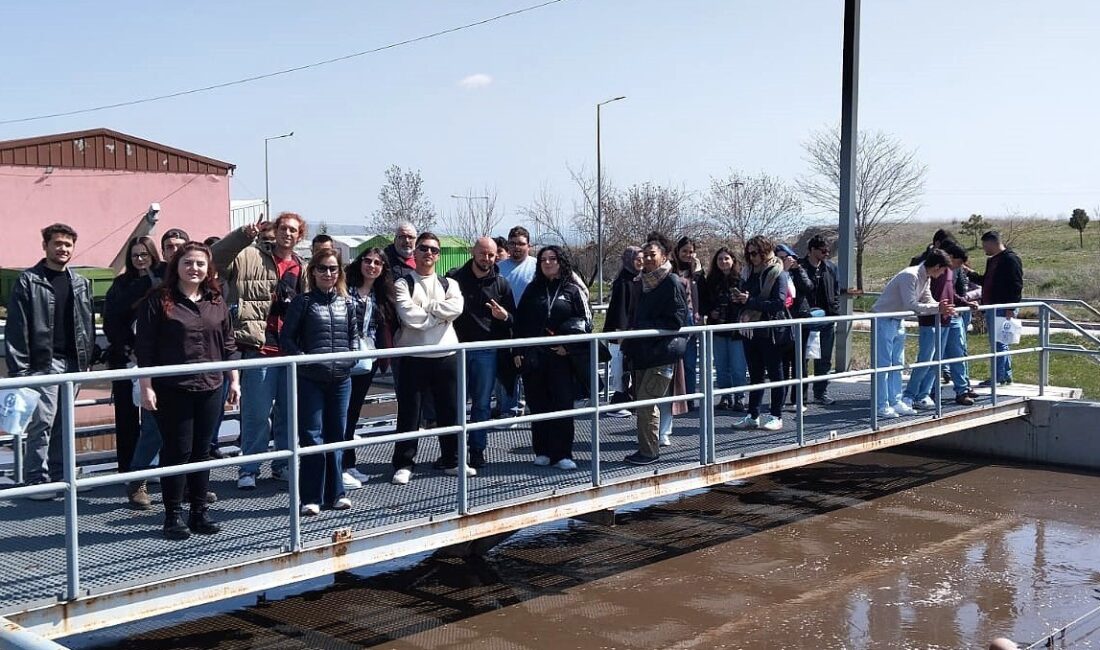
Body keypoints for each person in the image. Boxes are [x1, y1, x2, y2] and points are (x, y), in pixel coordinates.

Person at [136, 242, 240, 540]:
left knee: (202, 450)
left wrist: (234, 381)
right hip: (173, 388)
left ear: (209, 269)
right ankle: (172, 516)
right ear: (177, 266)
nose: (194, 268)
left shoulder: (216, 299)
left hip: (210, 385)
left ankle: (199, 513)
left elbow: (227, 344)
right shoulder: (159, 300)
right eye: (188, 262)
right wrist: (147, 387)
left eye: (200, 264)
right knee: (176, 451)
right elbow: (144, 348)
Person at [211, 213, 307, 490]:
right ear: (274, 231)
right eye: (283, 228)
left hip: (291, 351)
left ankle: (283, 465)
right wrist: (243, 234)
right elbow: (215, 259)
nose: (287, 234)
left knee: (289, 415)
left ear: (299, 236)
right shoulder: (250, 256)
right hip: (260, 347)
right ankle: (249, 468)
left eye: (293, 230)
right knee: (256, 414)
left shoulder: (302, 266)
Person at [5, 223, 95, 499]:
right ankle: (36, 478)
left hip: (74, 362)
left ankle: (61, 474)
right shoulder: (28, 281)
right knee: (42, 422)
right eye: (57, 243)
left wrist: (87, 359)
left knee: (64, 423)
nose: (63, 249)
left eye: (68, 244)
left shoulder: (79, 282)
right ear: (45, 246)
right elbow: (17, 327)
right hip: (43, 363)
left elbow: (87, 323)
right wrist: (21, 370)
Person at [279, 249, 358, 515]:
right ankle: (310, 497)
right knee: (312, 438)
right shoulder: (303, 302)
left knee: (337, 437)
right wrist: (304, 360)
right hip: (311, 379)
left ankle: (337, 493)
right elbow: (286, 340)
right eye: (322, 268)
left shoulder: (347, 303)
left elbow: (354, 337)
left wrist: (349, 360)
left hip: (341, 380)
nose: (328, 273)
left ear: (339, 273)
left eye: (333, 269)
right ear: (313, 271)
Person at [390, 232, 466, 485]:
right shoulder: (403, 283)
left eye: (433, 250)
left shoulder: (449, 284)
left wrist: (429, 310)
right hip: (413, 356)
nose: (428, 254)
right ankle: (404, 463)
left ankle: (452, 460)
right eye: (423, 248)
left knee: (450, 411)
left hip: (447, 355)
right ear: (416, 251)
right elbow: (409, 316)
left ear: (438, 254)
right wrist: (440, 316)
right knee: (410, 413)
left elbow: (457, 308)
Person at [513, 246, 589, 470]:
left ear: (561, 262)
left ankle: (563, 453)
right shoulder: (532, 289)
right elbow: (520, 322)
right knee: (538, 404)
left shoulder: (572, 290)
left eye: (552, 259)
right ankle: (543, 450)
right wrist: (517, 351)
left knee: (562, 404)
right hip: (535, 357)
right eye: (543, 260)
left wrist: (569, 347)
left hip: (562, 358)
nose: (547, 263)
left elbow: (585, 324)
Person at [103, 236, 163, 509]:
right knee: (127, 420)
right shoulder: (122, 284)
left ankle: (154, 472)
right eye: (135, 255)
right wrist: (130, 351)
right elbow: (112, 318)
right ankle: (130, 474)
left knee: (157, 420)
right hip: (126, 359)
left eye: (144, 254)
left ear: (153, 255)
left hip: (159, 360)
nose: (140, 259)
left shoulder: (166, 278)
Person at [621, 240, 692, 465]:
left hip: (661, 353)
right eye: (645, 255)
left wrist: (647, 326)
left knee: (646, 403)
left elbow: (678, 318)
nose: (648, 259)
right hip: (643, 352)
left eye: (653, 255)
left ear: (663, 256)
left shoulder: (670, 281)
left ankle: (649, 452)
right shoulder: (642, 282)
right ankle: (646, 448)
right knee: (642, 403)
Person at [447, 237, 516, 469]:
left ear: (496, 256)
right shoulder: (454, 279)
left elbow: (513, 319)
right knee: (454, 404)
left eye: (491, 255)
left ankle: (477, 450)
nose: (486, 259)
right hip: (456, 349)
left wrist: (503, 316)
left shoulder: (501, 283)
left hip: (487, 350)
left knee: (482, 404)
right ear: (473, 252)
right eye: (482, 253)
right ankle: (454, 454)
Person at [870, 250, 955, 419]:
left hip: (897, 320)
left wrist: (940, 305)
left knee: (897, 363)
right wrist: (937, 308)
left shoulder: (926, 277)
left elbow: (927, 299)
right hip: (883, 320)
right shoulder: (910, 275)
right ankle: (881, 405)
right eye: (942, 270)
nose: (942, 274)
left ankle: (895, 401)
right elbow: (912, 304)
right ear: (937, 266)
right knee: (884, 365)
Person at [341, 247, 396, 488]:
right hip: (344, 358)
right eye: (367, 261)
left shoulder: (380, 295)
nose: (371, 266)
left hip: (368, 358)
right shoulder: (345, 290)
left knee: (353, 414)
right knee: (341, 414)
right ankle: (338, 466)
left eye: (377, 263)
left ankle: (349, 464)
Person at [900, 242, 973, 410]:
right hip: (931, 320)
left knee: (937, 361)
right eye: (958, 263)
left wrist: (963, 302)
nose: (958, 268)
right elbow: (925, 296)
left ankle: (923, 394)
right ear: (951, 259)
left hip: (945, 318)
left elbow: (950, 292)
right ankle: (910, 394)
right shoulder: (934, 272)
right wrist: (936, 308)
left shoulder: (948, 271)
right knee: (925, 359)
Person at [732, 236, 791, 432]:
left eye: (755, 253)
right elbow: (747, 297)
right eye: (749, 253)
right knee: (755, 375)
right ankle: (753, 415)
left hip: (771, 331)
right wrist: (738, 298)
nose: (752, 257)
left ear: (765, 251)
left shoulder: (777, 273)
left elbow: (778, 304)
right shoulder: (749, 272)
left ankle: (776, 415)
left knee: (776, 374)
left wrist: (750, 301)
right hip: (751, 330)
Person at [969, 231, 1023, 386]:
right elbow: (986, 281)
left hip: (1003, 307)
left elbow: (1016, 285)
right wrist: (970, 274)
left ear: (992, 243)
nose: (984, 248)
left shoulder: (1010, 259)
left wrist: (1011, 307)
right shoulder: (992, 260)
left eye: (985, 245)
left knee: (1000, 342)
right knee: (1000, 342)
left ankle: (1000, 376)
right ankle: (1004, 374)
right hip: (992, 306)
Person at [495, 226, 538, 419]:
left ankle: (532, 407)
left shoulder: (538, 266)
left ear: (529, 245)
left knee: (532, 370)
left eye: (521, 243)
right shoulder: (499, 268)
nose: (516, 247)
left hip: (532, 326)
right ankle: (508, 410)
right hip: (505, 326)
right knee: (506, 370)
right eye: (512, 243)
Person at [701, 247, 747, 412]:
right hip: (718, 329)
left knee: (738, 366)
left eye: (726, 258)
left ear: (733, 260)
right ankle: (725, 397)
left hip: (736, 330)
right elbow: (704, 302)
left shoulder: (741, 280)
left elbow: (747, 302)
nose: (723, 262)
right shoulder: (711, 282)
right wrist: (710, 311)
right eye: (720, 259)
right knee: (721, 367)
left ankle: (740, 397)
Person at [799, 235, 841, 404]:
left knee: (824, 359)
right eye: (823, 250)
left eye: (828, 250)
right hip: (805, 320)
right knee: (802, 359)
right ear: (811, 250)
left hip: (826, 320)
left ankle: (820, 392)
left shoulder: (830, 268)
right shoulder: (800, 267)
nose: (826, 253)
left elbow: (836, 291)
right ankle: (801, 395)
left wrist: (835, 312)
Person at [603, 246, 643, 416]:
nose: (641, 261)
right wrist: (621, 335)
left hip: (633, 334)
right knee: (619, 369)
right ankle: (618, 403)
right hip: (620, 335)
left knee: (629, 369)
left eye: (643, 258)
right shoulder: (623, 282)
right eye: (637, 258)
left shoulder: (638, 279)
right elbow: (620, 311)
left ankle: (629, 400)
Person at [776, 243, 810, 409]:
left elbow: (808, 287)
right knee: (782, 363)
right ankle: (779, 399)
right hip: (783, 322)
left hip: (799, 320)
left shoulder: (798, 271)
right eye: (779, 258)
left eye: (785, 257)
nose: (783, 261)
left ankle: (799, 399)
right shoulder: (776, 274)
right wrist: (783, 271)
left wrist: (796, 270)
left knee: (799, 363)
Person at [673, 237, 704, 407]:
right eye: (684, 251)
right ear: (678, 252)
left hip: (692, 318)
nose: (688, 255)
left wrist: (698, 272)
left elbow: (701, 292)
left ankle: (689, 397)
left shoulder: (696, 272)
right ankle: (676, 398)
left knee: (690, 362)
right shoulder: (670, 269)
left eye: (691, 251)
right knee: (675, 362)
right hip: (675, 318)